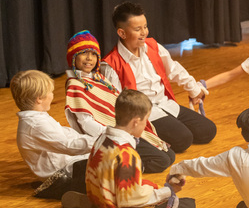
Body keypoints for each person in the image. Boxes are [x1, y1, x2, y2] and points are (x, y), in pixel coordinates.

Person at [100, 2, 216, 153]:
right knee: (183, 139)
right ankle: (151, 139)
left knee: (208, 130)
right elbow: (115, 103)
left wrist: (194, 90)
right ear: (122, 33)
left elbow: (174, 69)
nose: (144, 32)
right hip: (145, 115)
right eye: (137, 29)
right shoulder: (111, 64)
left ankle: (169, 131)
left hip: (165, 104)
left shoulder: (153, 46)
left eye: (145, 27)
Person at [86, 89, 195, 208]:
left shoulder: (102, 137)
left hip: (98, 198)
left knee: (151, 185)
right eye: (146, 120)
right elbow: (131, 200)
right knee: (188, 205)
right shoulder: (127, 153)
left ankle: (94, 206)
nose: (146, 125)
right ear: (136, 122)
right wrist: (169, 191)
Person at [63, 30, 175, 173]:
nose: (89, 58)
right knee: (162, 161)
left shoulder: (99, 78)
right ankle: (123, 166)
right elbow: (85, 122)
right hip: (111, 136)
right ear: (73, 57)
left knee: (170, 155)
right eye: (84, 53)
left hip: (123, 128)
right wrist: (114, 134)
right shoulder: (75, 85)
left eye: (93, 54)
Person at [12, 70, 93, 208]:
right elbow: (69, 146)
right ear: (39, 99)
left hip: (69, 164)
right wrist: (100, 141)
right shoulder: (35, 125)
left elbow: (67, 134)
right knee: (108, 163)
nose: (52, 95)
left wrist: (94, 139)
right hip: (62, 174)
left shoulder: (38, 117)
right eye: (51, 92)